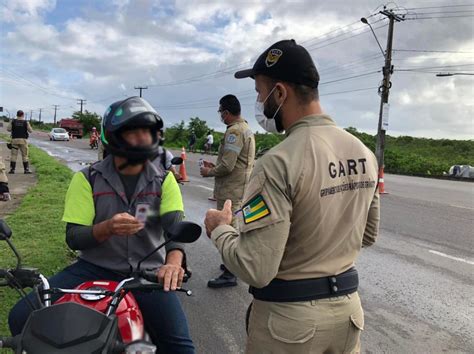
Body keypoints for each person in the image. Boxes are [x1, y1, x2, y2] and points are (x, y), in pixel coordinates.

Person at [204, 39, 380, 353]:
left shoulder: (280, 161)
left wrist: (219, 229)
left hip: (290, 325)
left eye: (260, 92)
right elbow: (366, 235)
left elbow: (256, 268)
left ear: (280, 92)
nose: (259, 101)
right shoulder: (363, 153)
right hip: (348, 316)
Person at [8, 97, 195, 353]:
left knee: (180, 347)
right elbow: (74, 237)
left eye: (147, 133)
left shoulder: (164, 180)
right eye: (133, 132)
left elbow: (175, 231)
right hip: (93, 269)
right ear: (113, 137)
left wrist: (172, 264)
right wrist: (107, 228)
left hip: (147, 273)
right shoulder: (87, 179)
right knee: (21, 315)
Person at [200, 94, 255, 288]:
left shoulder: (235, 131)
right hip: (240, 186)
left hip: (231, 188)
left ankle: (231, 272)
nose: (221, 117)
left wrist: (209, 172)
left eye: (221, 113)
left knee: (228, 228)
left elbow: (228, 166)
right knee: (234, 225)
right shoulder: (245, 128)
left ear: (226, 112)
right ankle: (231, 265)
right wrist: (215, 165)